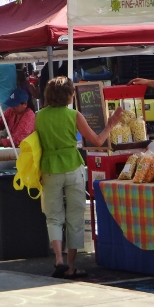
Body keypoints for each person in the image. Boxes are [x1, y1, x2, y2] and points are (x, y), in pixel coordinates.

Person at [36, 76, 123, 279]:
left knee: (54, 217)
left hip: (48, 168)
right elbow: (97, 141)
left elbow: (35, 145)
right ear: (68, 95)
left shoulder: (39, 116)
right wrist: (110, 125)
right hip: (73, 167)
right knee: (75, 217)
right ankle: (71, 266)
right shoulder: (74, 115)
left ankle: (58, 259)